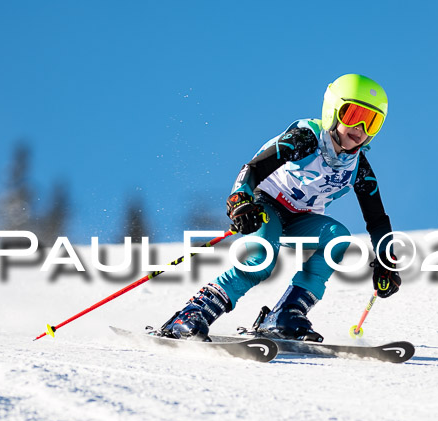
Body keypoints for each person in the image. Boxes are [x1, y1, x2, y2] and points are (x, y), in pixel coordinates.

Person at [159, 74, 401, 341]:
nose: (360, 127)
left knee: (337, 238)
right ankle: (193, 314)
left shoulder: (358, 167)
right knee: (260, 261)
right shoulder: (305, 139)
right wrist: (240, 200)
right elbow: (253, 167)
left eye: (372, 121)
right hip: (266, 206)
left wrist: (386, 262)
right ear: (333, 110)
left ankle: (286, 314)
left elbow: (377, 219)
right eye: (353, 114)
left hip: (301, 220)